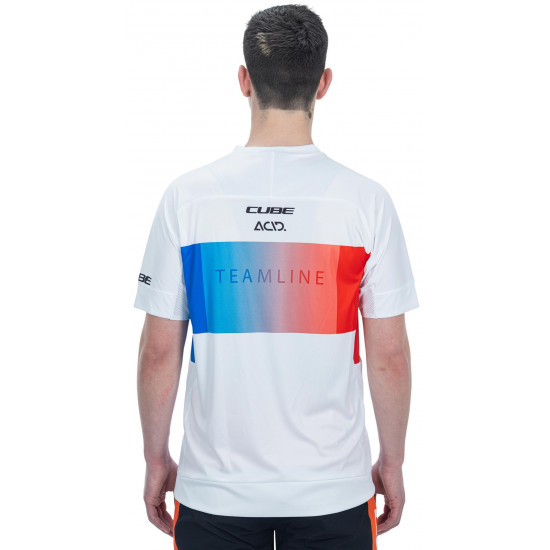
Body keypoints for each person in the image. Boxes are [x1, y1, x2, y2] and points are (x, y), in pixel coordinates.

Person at [134, 4, 419, 549]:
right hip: (333, 491)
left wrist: (155, 459)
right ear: (324, 83)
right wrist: (394, 461)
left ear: (244, 80)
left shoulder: (188, 198)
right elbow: (389, 356)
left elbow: (158, 352)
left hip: (214, 493)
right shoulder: (365, 202)